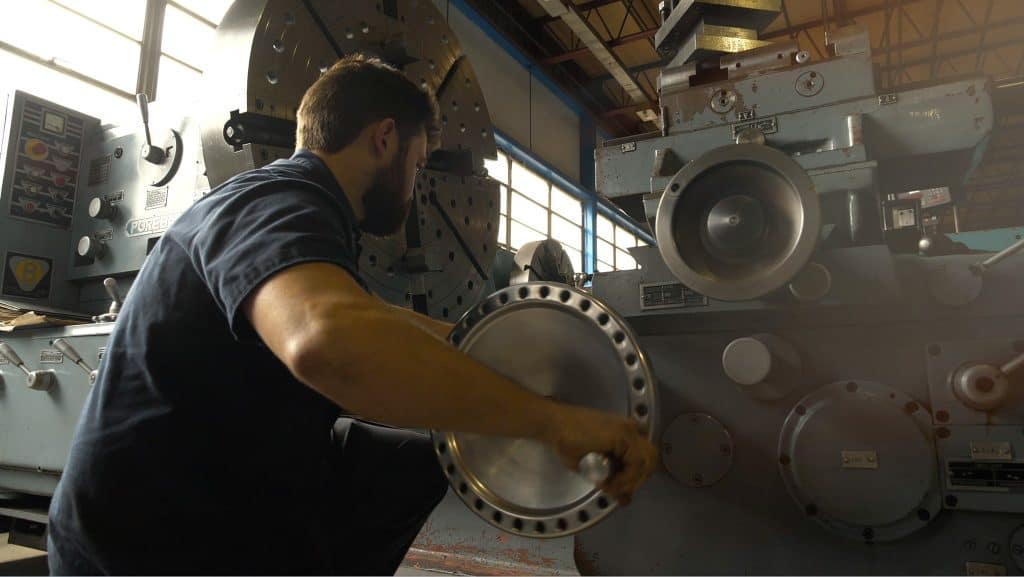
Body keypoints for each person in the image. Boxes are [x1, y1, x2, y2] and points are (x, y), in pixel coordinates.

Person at [47, 54, 658, 575]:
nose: (416, 187)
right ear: (384, 138)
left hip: (204, 494)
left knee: (427, 464)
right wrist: (547, 421)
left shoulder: (298, 209)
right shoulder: (281, 198)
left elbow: (370, 318)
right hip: (141, 549)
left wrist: (510, 356)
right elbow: (326, 341)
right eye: (418, 165)